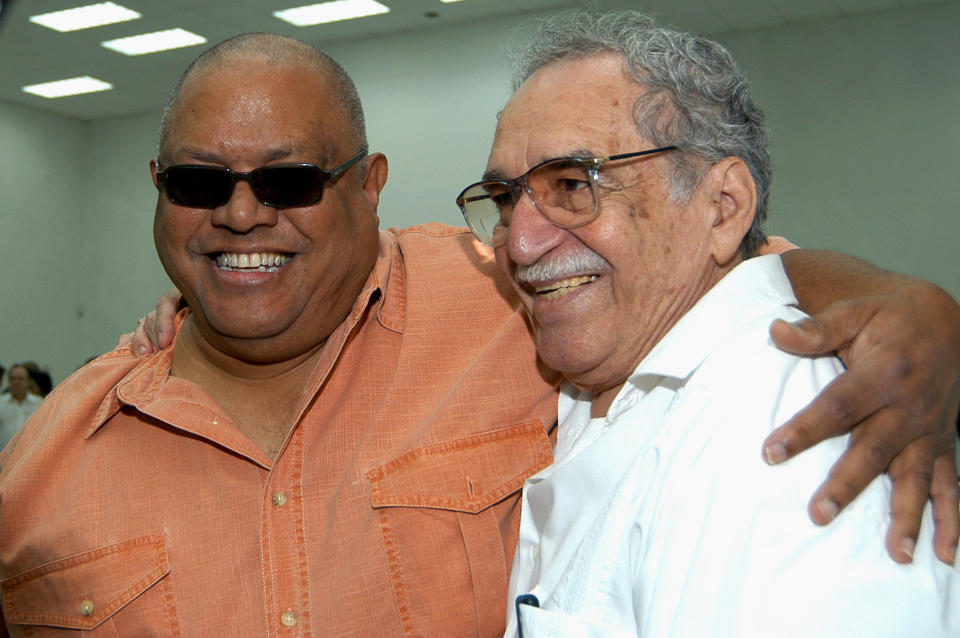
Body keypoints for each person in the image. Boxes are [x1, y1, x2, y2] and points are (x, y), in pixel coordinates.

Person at [0, 32, 957, 637]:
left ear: (369, 186)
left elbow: (728, 274)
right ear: (159, 192)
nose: (241, 216)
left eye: (290, 181)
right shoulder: (46, 468)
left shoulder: (520, 309)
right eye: (200, 184)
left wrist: (912, 306)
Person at [453, 10, 958, 637]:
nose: (519, 243)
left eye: (573, 184)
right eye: (505, 199)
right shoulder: (612, 376)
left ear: (722, 209)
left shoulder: (779, 439)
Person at [0, 365, 42, 449]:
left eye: (21, 379)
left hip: (29, 455)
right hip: (4, 456)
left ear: (28, 382)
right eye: (13, 379)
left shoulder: (38, 403)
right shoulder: (1, 402)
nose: (16, 382)